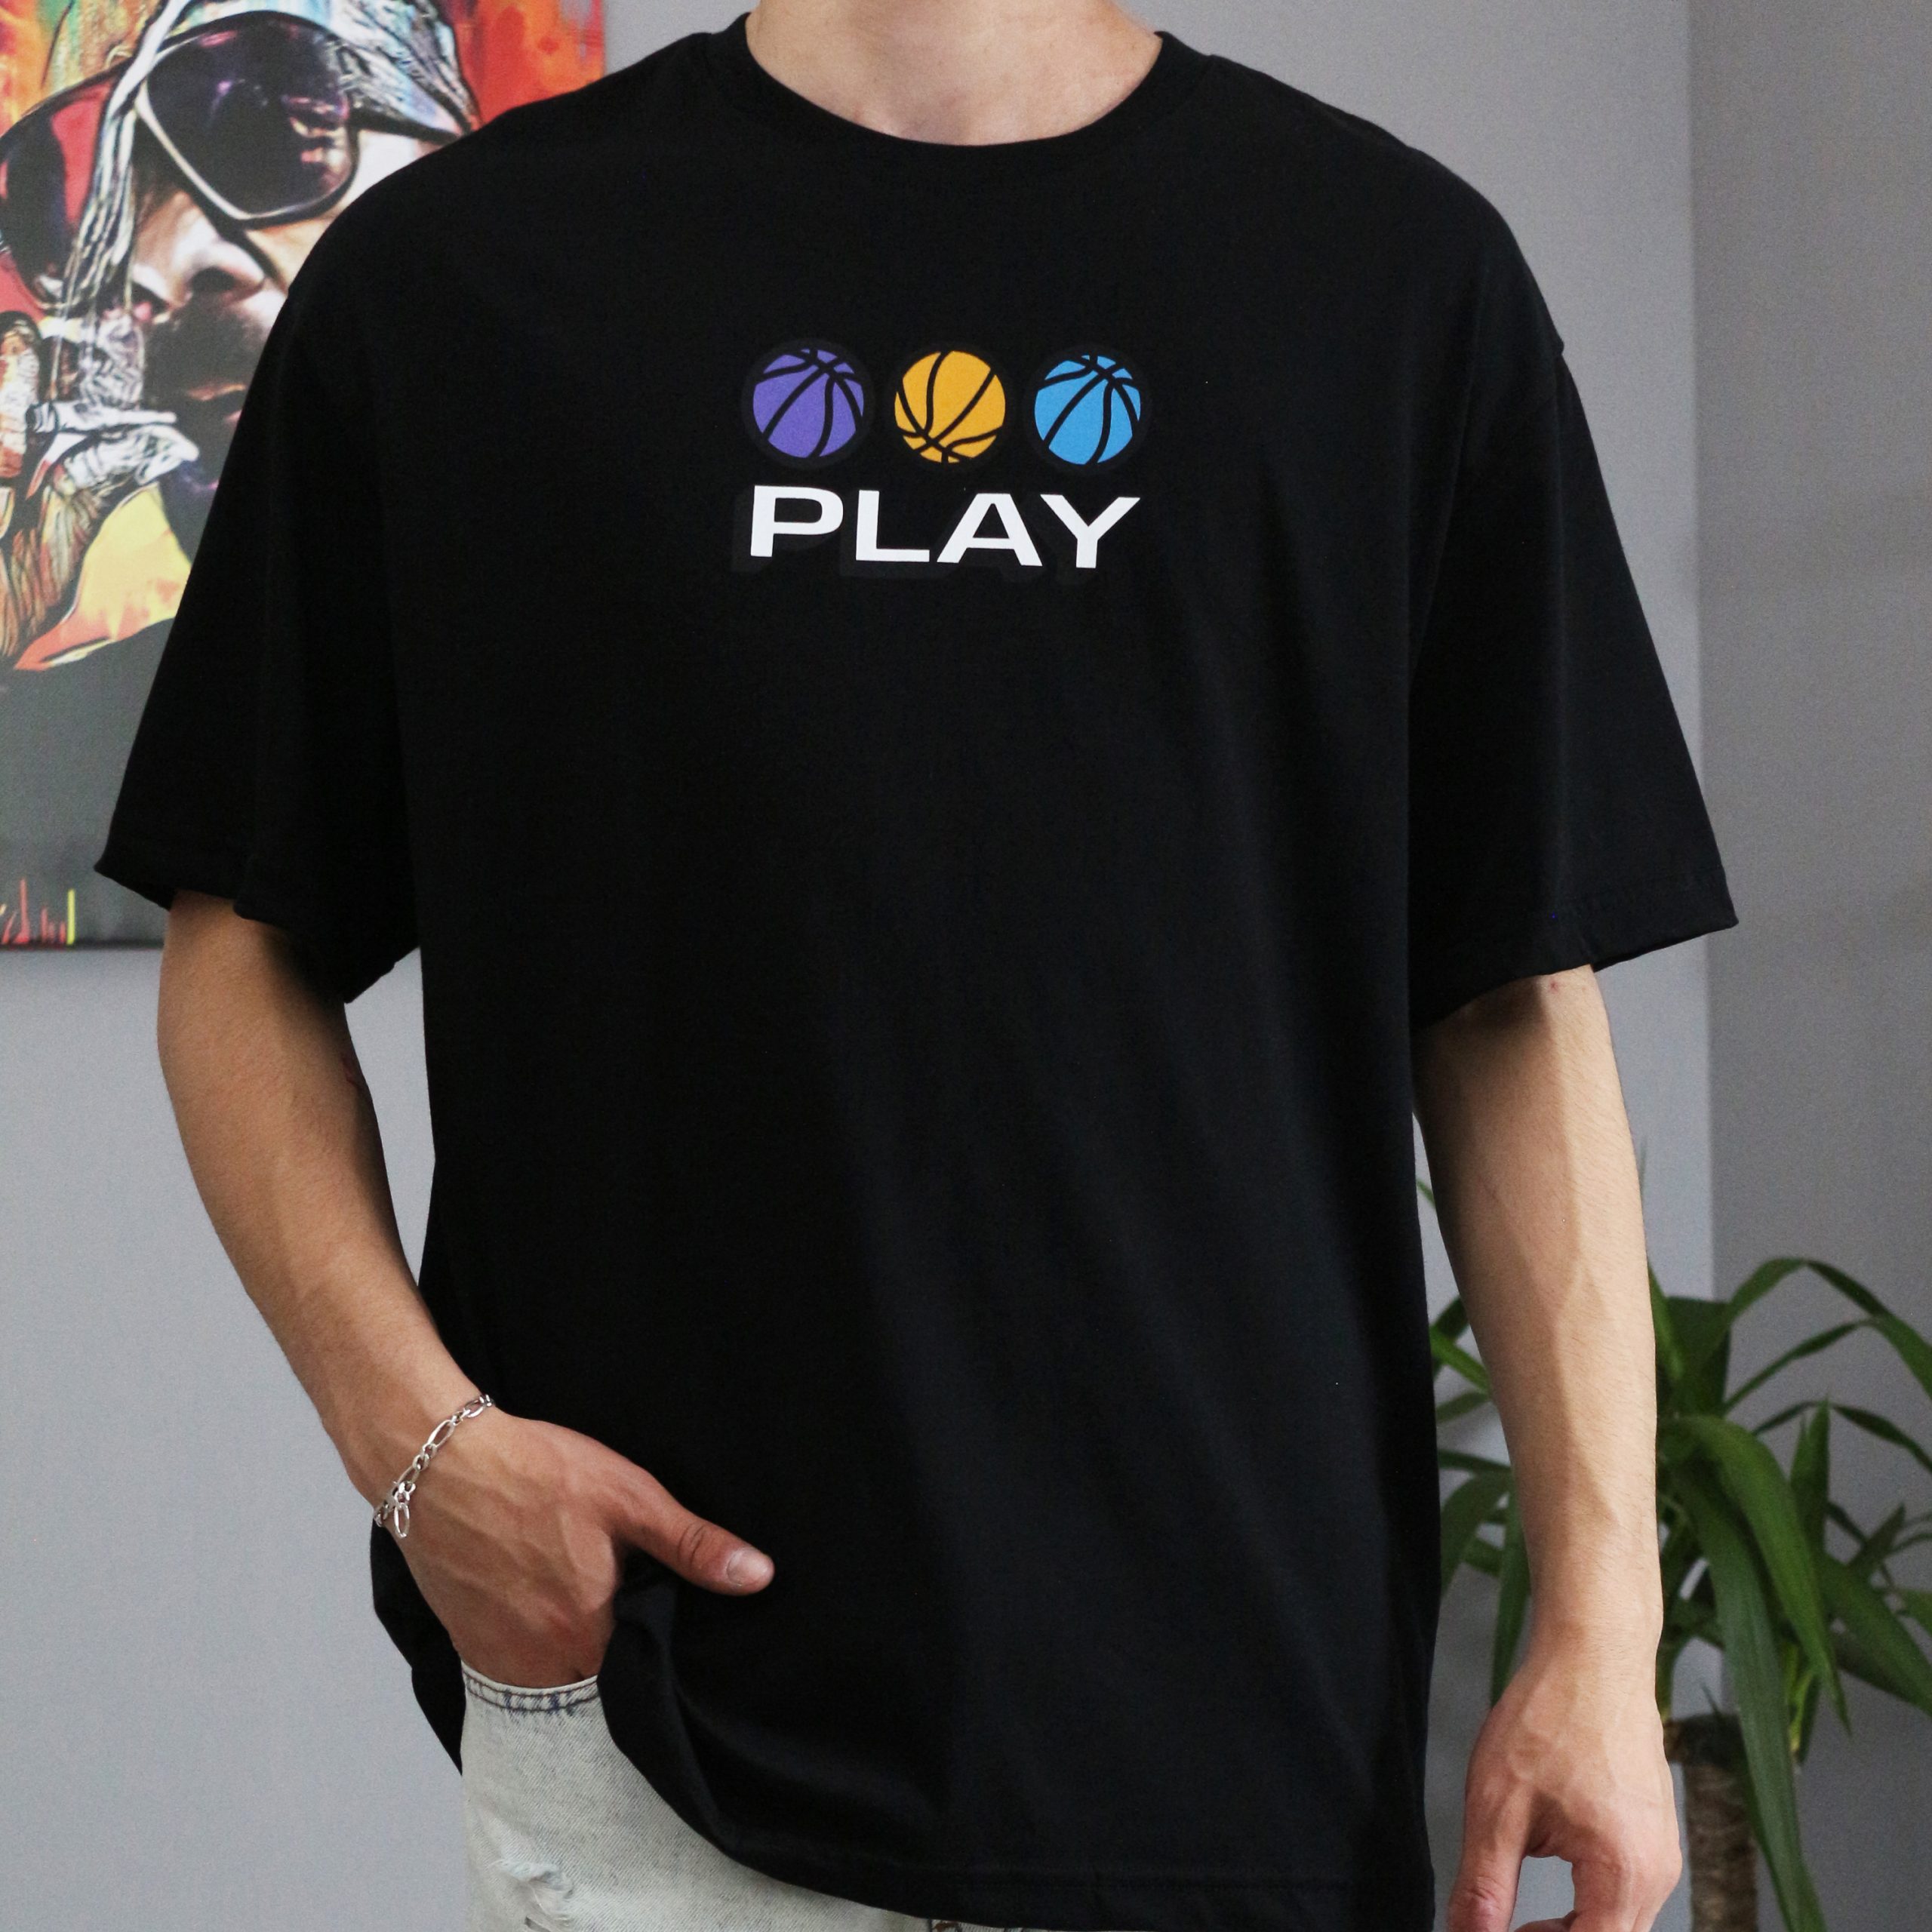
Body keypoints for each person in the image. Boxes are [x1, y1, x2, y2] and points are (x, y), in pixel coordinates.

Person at [93, 3, 1738, 1930]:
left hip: (1245, 1743)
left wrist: (1600, 1624)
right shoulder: (459, 280)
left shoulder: (1388, 278)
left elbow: (1505, 989)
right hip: (666, 1740)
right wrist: (421, 1448)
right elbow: (241, 940)